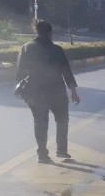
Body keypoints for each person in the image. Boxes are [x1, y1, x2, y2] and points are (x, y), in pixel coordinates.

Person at [16, 20, 81, 163]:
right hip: (56, 92)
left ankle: (42, 155)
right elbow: (67, 72)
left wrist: (23, 92)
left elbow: (20, 72)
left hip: (35, 93)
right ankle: (62, 150)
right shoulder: (57, 50)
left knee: (40, 123)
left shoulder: (26, 48)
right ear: (50, 33)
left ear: (36, 31)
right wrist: (73, 91)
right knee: (62, 120)